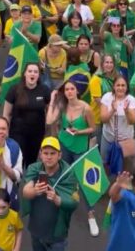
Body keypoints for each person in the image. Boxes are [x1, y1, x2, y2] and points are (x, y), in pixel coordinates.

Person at [46, 80, 98, 236]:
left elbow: (93, 128)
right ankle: (60, 208)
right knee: (62, 175)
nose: (69, 92)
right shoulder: (62, 105)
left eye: (72, 89)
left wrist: (79, 132)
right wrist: (53, 98)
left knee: (84, 182)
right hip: (64, 145)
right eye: (66, 89)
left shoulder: (86, 108)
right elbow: (49, 121)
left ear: (77, 91)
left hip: (80, 147)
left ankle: (91, 215)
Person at [22, 136, 79, 251]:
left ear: (60, 155)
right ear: (40, 154)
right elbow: (25, 192)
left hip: (57, 236)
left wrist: (57, 199)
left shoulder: (68, 173)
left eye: (53, 153)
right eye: (46, 153)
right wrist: (34, 191)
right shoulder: (34, 168)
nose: (49, 157)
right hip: (36, 231)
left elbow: (74, 202)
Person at [3, 63, 51, 167]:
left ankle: (30, 182)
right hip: (17, 133)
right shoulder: (14, 89)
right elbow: (6, 114)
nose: (32, 74)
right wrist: (5, 130)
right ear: (25, 74)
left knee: (32, 163)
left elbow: (49, 113)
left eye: (35, 72)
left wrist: (49, 132)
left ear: (39, 75)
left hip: (37, 134)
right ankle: (16, 182)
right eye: (30, 71)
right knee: (17, 161)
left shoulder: (45, 90)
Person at [100, 76, 135, 168]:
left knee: (127, 167)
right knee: (105, 165)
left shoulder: (131, 99)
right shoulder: (107, 97)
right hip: (108, 138)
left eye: (123, 85)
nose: (120, 88)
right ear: (114, 87)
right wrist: (112, 110)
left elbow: (132, 121)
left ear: (127, 87)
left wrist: (126, 111)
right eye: (118, 85)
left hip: (126, 140)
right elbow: (103, 119)